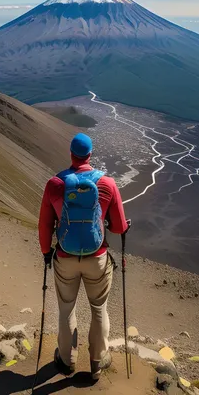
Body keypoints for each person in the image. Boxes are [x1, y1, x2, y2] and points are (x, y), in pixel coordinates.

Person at [38, 132, 129, 380]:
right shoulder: (107, 184)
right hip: (97, 257)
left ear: (71, 154)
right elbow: (119, 227)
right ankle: (98, 361)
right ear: (90, 155)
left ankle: (66, 360)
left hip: (65, 257)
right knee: (99, 307)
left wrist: (47, 253)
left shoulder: (55, 184)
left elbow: (45, 225)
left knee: (67, 308)